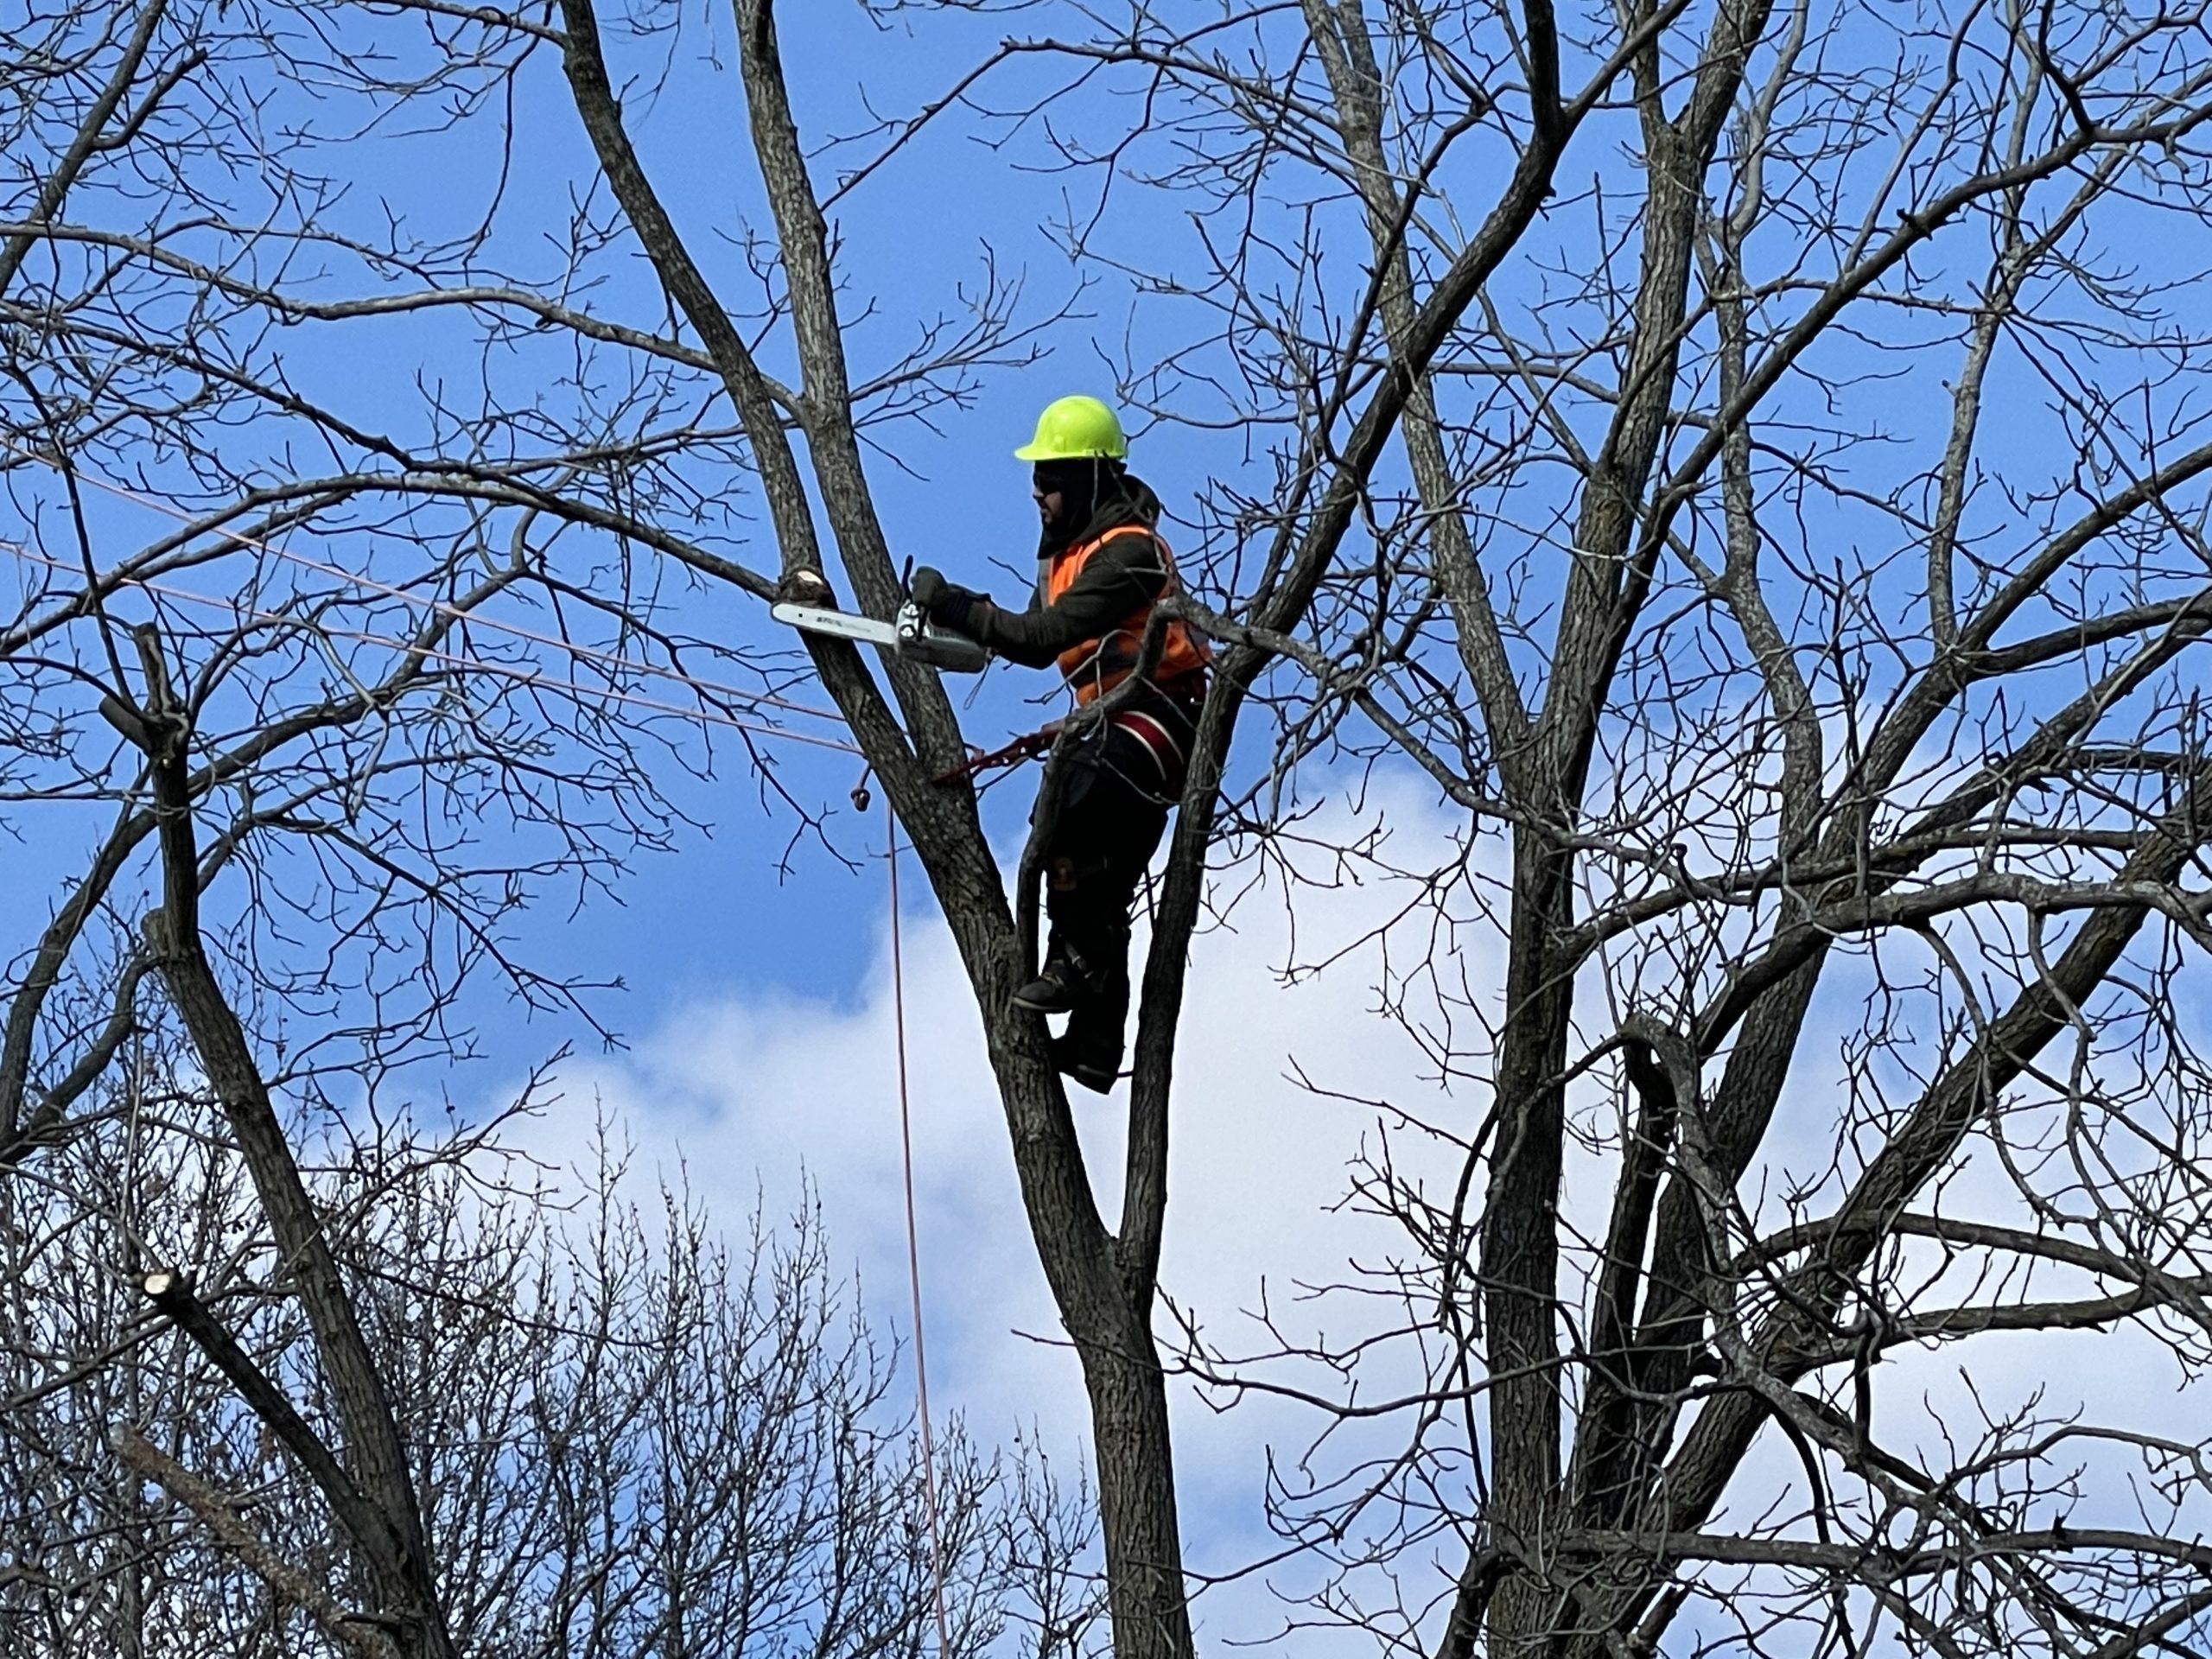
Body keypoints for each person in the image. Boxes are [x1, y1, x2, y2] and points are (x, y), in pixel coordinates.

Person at [909, 396, 1211, 1093]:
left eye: (1049, 479)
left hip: (1160, 717)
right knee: (1090, 872)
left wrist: (954, 603)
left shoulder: (1131, 550)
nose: (1038, 493)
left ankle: (1074, 960)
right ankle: (1095, 1046)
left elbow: (1040, 638)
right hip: (1115, 721)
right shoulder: (1068, 557)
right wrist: (970, 622)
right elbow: (1035, 644)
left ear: (1088, 481)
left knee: (1074, 805)